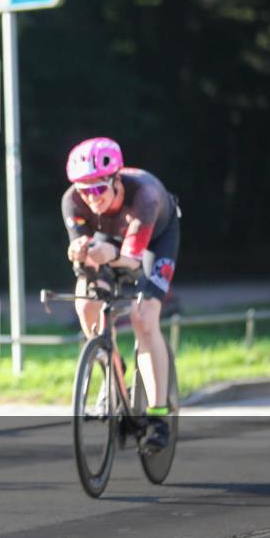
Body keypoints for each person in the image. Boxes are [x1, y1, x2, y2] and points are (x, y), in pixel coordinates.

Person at [61, 136, 181, 451]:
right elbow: (84, 254)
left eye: (99, 189)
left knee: (143, 318)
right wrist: (78, 250)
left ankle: (157, 415)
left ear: (117, 180)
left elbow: (131, 261)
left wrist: (106, 253)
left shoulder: (146, 196)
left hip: (153, 242)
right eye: (84, 190)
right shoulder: (72, 201)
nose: (91, 197)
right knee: (86, 304)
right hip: (109, 240)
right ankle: (113, 372)